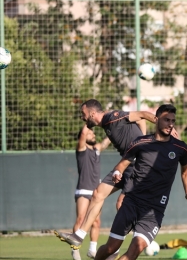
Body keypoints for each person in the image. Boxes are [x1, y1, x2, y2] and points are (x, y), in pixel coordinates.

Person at [81, 104, 187, 260]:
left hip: (154, 210)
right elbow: (123, 163)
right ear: (157, 119)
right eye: (166, 120)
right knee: (111, 247)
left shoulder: (180, 147)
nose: (170, 124)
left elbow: (185, 170)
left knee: (137, 247)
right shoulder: (140, 143)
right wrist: (118, 173)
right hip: (132, 202)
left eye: (172, 121)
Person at [54, 99, 158, 249]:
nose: (82, 117)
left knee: (121, 203)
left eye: (83, 114)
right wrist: (141, 139)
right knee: (97, 194)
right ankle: (79, 236)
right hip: (126, 164)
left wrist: (164, 127)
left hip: (139, 166)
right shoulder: (106, 124)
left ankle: (138, 239)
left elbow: (142, 114)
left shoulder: (113, 117)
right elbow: (140, 120)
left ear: (92, 113)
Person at [69, 125, 111, 260]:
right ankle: (75, 248)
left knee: (96, 222)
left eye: (93, 133)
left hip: (96, 191)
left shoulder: (96, 149)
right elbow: (83, 133)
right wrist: (89, 123)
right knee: (81, 219)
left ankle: (92, 250)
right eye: (90, 133)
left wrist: (118, 126)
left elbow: (107, 141)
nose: (93, 134)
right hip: (83, 189)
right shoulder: (81, 149)